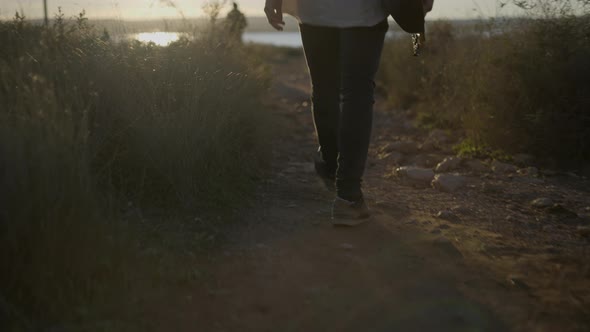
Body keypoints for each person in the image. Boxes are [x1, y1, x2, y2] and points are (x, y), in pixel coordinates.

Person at [264, 0, 433, 226]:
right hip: (362, 12)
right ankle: (348, 195)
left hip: (314, 10)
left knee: (324, 88)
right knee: (357, 94)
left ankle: (331, 167)